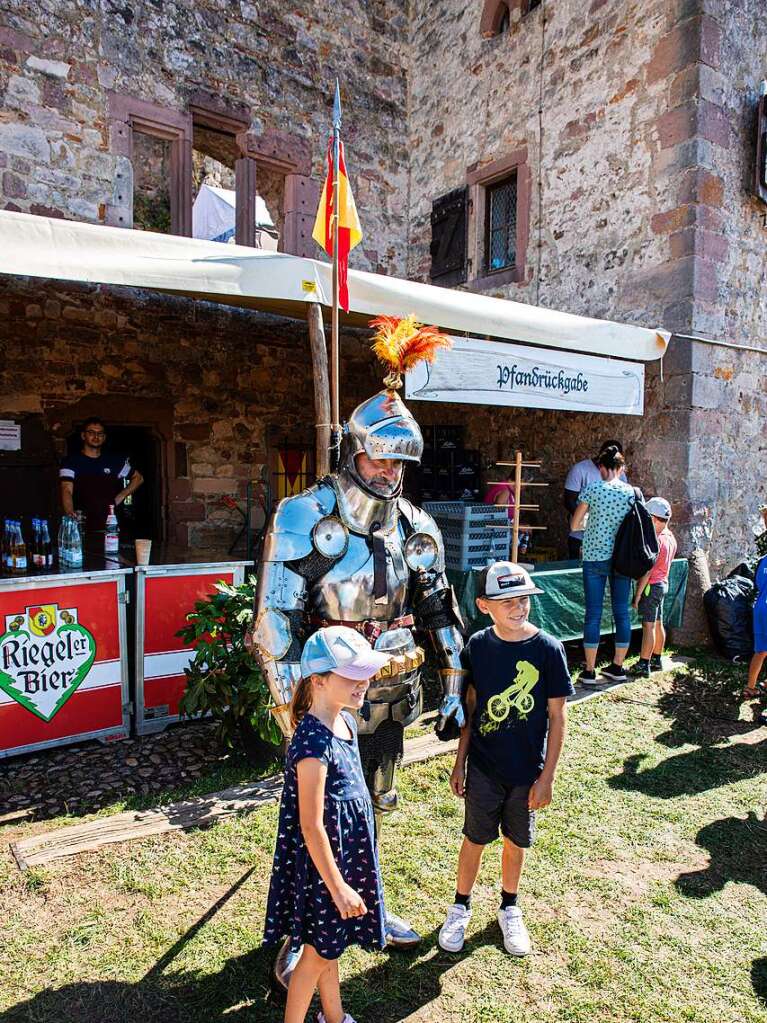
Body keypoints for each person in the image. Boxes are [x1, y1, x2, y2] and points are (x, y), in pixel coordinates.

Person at [251, 317, 466, 986]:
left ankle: (367, 906)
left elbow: (440, 607)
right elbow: (276, 623)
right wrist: (293, 713)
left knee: (372, 807)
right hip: (323, 701)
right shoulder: (305, 516)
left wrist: (454, 679)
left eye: (399, 461)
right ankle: (296, 934)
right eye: (378, 457)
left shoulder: (415, 526)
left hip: (392, 691)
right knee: (310, 819)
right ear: (351, 450)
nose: (388, 471)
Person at [438, 562, 573, 957]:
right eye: (508, 601)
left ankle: (509, 907)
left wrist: (547, 777)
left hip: (526, 773)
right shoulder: (477, 647)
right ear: (484, 605)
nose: (518, 608)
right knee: (474, 838)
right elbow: (472, 708)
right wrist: (460, 761)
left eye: (524, 600)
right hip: (483, 768)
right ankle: (460, 905)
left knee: (516, 842)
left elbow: (557, 717)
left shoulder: (549, 649)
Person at [263, 627, 389, 1023]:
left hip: (346, 860)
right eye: (352, 676)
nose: (363, 683)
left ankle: (334, 1017)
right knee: (316, 956)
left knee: (328, 948)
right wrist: (339, 888)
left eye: (364, 674)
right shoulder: (312, 744)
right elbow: (311, 826)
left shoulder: (346, 724)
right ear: (318, 680)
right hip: (327, 871)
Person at [569, 445, 641, 686]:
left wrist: (592, 524)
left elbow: (575, 525)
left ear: (601, 467)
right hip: (622, 558)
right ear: (621, 468)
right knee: (622, 612)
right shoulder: (631, 493)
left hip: (594, 557)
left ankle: (589, 671)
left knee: (593, 614)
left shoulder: (592, 490)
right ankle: (618, 666)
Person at [59, 417, 143, 533]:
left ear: (104, 437)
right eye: (91, 433)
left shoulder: (114, 462)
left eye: (100, 433)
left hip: (110, 524)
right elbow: (66, 489)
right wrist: (70, 514)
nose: (96, 437)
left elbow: (138, 478)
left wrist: (121, 496)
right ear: (83, 436)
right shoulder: (71, 462)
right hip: (82, 524)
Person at [631, 497, 677, 678]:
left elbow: (648, 571)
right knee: (658, 623)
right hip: (663, 584)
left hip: (651, 587)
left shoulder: (656, 541)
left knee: (648, 625)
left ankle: (644, 663)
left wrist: (637, 595)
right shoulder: (671, 537)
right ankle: (657, 658)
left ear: (654, 519)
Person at [563, 440, 627, 560]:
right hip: (582, 538)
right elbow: (568, 500)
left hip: (609, 541)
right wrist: (588, 522)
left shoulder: (621, 480)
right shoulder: (580, 470)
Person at [743, 506, 767, 725]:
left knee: (761, 651)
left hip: (761, 608)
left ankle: (751, 687)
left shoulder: (764, 560)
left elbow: (758, 584)